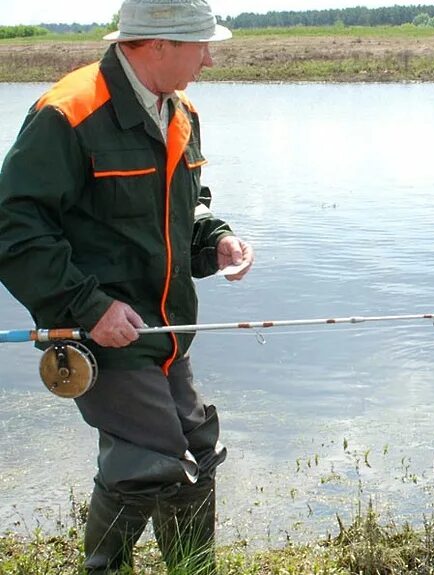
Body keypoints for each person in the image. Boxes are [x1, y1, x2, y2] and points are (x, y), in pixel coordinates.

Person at [0, 0, 253, 572]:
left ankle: (182, 567)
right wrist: (89, 307)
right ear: (157, 45)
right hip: (98, 334)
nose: (209, 59)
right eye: (201, 45)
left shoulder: (180, 110)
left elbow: (183, 209)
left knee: (195, 445)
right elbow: (13, 229)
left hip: (164, 331)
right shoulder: (67, 112)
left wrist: (216, 240)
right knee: (153, 458)